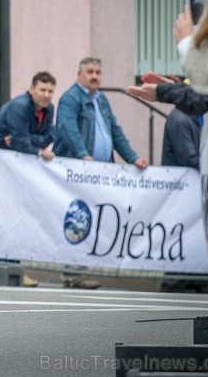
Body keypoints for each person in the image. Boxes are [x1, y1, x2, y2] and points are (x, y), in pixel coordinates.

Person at [54, 57, 149, 289]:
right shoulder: (71, 98)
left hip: (101, 171)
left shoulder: (102, 100)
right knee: (78, 219)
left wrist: (133, 158)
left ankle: (81, 270)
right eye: (90, 72)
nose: (95, 76)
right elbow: (68, 129)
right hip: (79, 171)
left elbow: (114, 132)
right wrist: (83, 154)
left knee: (93, 220)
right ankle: (74, 274)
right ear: (79, 75)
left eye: (98, 72)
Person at [0, 71, 57, 161]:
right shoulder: (19, 106)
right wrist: (40, 152)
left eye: (50, 91)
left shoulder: (49, 108)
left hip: (18, 159)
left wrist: (25, 138)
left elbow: (49, 138)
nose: (46, 95)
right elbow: (21, 143)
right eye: (42, 90)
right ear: (31, 89)